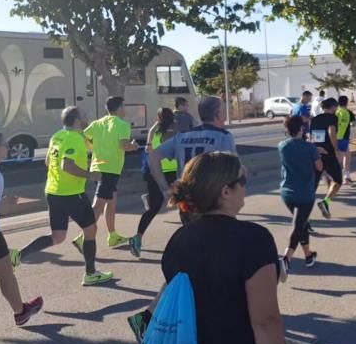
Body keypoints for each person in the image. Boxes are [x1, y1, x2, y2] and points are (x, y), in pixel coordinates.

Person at [149, 151, 291, 344]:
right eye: (242, 180)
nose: (246, 186)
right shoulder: (254, 239)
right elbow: (265, 321)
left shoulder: (178, 240)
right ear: (225, 192)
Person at [12, 107, 113, 285]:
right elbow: (67, 166)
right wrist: (90, 175)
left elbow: (48, 161)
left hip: (53, 191)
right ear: (76, 119)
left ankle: (19, 254)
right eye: (84, 115)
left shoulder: (57, 135)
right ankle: (91, 273)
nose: (87, 117)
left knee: (58, 236)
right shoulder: (74, 139)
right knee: (90, 230)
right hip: (71, 194)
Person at [148, 96, 239, 226]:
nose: (225, 116)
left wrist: (165, 189)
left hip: (186, 202)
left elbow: (152, 157)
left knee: (192, 238)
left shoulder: (181, 137)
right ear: (218, 114)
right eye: (224, 111)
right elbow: (234, 170)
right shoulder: (223, 137)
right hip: (212, 201)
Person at [0, 131, 44, 325]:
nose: (8, 148)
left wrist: (1, 203)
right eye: (5, 144)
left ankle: (21, 311)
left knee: (5, 273)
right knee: (6, 274)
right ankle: (20, 312)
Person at [83, 96, 139, 247]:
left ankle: (112, 235)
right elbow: (123, 145)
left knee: (111, 201)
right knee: (99, 204)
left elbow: (82, 137)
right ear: (119, 108)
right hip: (109, 169)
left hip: (97, 167)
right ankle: (83, 238)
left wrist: (92, 147)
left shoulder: (97, 123)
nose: (125, 109)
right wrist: (133, 146)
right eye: (124, 106)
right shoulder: (122, 124)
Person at [129, 108, 177, 258]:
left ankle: (138, 237)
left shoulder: (154, 133)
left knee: (153, 208)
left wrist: (154, 127)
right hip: (171, 172)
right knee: (184, 205)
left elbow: (149, 150)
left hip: (154, 173)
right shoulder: (173, 133)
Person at [278, 116, 323, 276]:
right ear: (301, 129)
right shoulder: (309, 148)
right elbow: (319, 167)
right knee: (298, 225)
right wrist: (317, 154)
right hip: (305, 193)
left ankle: (308, 255)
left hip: (286, 192)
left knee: (302, 223)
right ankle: (286, 259)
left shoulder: (282, 146)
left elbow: (296, 154)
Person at [309, 98, 343, 218]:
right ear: (333, 107)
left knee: (312, 186)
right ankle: (326, 202)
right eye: (336, 107)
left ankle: (303, 215)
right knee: (338, 180)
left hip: (316, 153)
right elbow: (331, 132)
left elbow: (311, 136)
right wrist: (336, 150)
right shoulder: (332, 118)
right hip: (328, 154)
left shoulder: (314, 119)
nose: (336, 110)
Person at [335, 96, 355, 185]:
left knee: (345, 155)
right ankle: (343, 177)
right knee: (344, 157)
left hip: (333, 137)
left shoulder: (335, 112)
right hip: (343, 138)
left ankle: (345, 176)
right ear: (347, 102)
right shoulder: (348, 112)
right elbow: (354, 124)